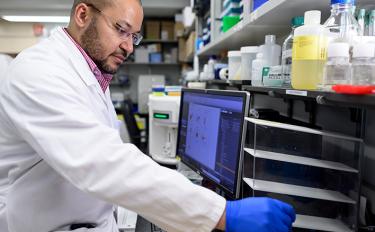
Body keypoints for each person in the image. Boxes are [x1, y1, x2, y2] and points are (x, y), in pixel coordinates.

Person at [0, 0, 295, 231]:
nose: (129, 46)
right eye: (121, 29)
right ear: (82, 15)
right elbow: (102, 163)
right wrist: (221, 213)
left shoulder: (88, 71)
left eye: (134, 36)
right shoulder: (40, 72)